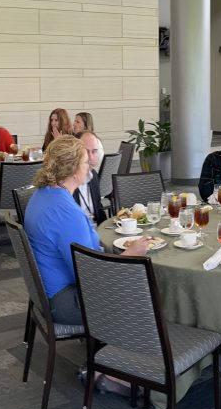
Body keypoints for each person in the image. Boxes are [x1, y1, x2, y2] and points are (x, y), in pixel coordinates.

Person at [24, 137, 137, 327]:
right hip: (68, 302)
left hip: (48, 293)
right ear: (72, 168)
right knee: (145, 290)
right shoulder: (65, 212)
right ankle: (127, 349)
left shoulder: (41, 195)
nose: (90, 165)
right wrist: (130, 254)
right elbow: (89, 274)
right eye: (85, 161)